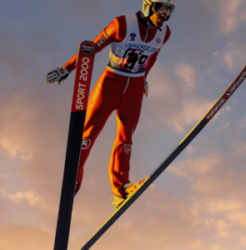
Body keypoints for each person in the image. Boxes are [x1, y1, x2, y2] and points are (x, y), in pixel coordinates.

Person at [46, 0, 175, 206]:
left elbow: (152, 57)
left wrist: (143, 79)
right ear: (147, 6)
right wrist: (67, 68)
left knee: (126, 138)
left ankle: (120, 189)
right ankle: (72, 183)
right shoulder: (122, 24)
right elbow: (92, 48)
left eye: (169, 10)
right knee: (88, 133)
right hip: (111, 82)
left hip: (134, 85)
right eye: (160, 8)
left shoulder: (164, 33)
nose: (164, 14)